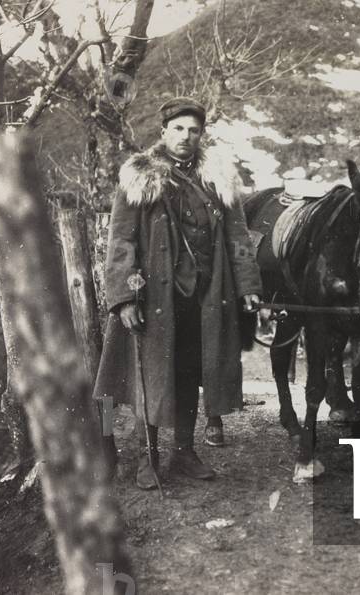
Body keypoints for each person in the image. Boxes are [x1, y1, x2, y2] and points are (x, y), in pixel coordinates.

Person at [93, 97, 262, 489]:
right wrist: (124, 298)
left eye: (194, 130)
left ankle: (183, 452)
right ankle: (146, 458)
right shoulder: (139, 177)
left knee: (190, 372)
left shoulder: (218, 177)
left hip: (204, 297)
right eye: (179, 129)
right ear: (164, 131)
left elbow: (238, 238)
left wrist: (249, 286)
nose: (186, 137)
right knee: (149, 375)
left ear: (201, 135)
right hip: (153, 300)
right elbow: (121, 242)